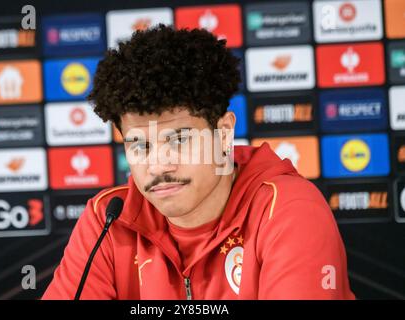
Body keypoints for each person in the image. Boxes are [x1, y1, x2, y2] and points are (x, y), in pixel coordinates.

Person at [42, 24, 355, 300]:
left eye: (179, 140)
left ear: (223, 133)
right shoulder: (108, 221)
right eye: (140, 145)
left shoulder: (287, 209)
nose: (158, 165)